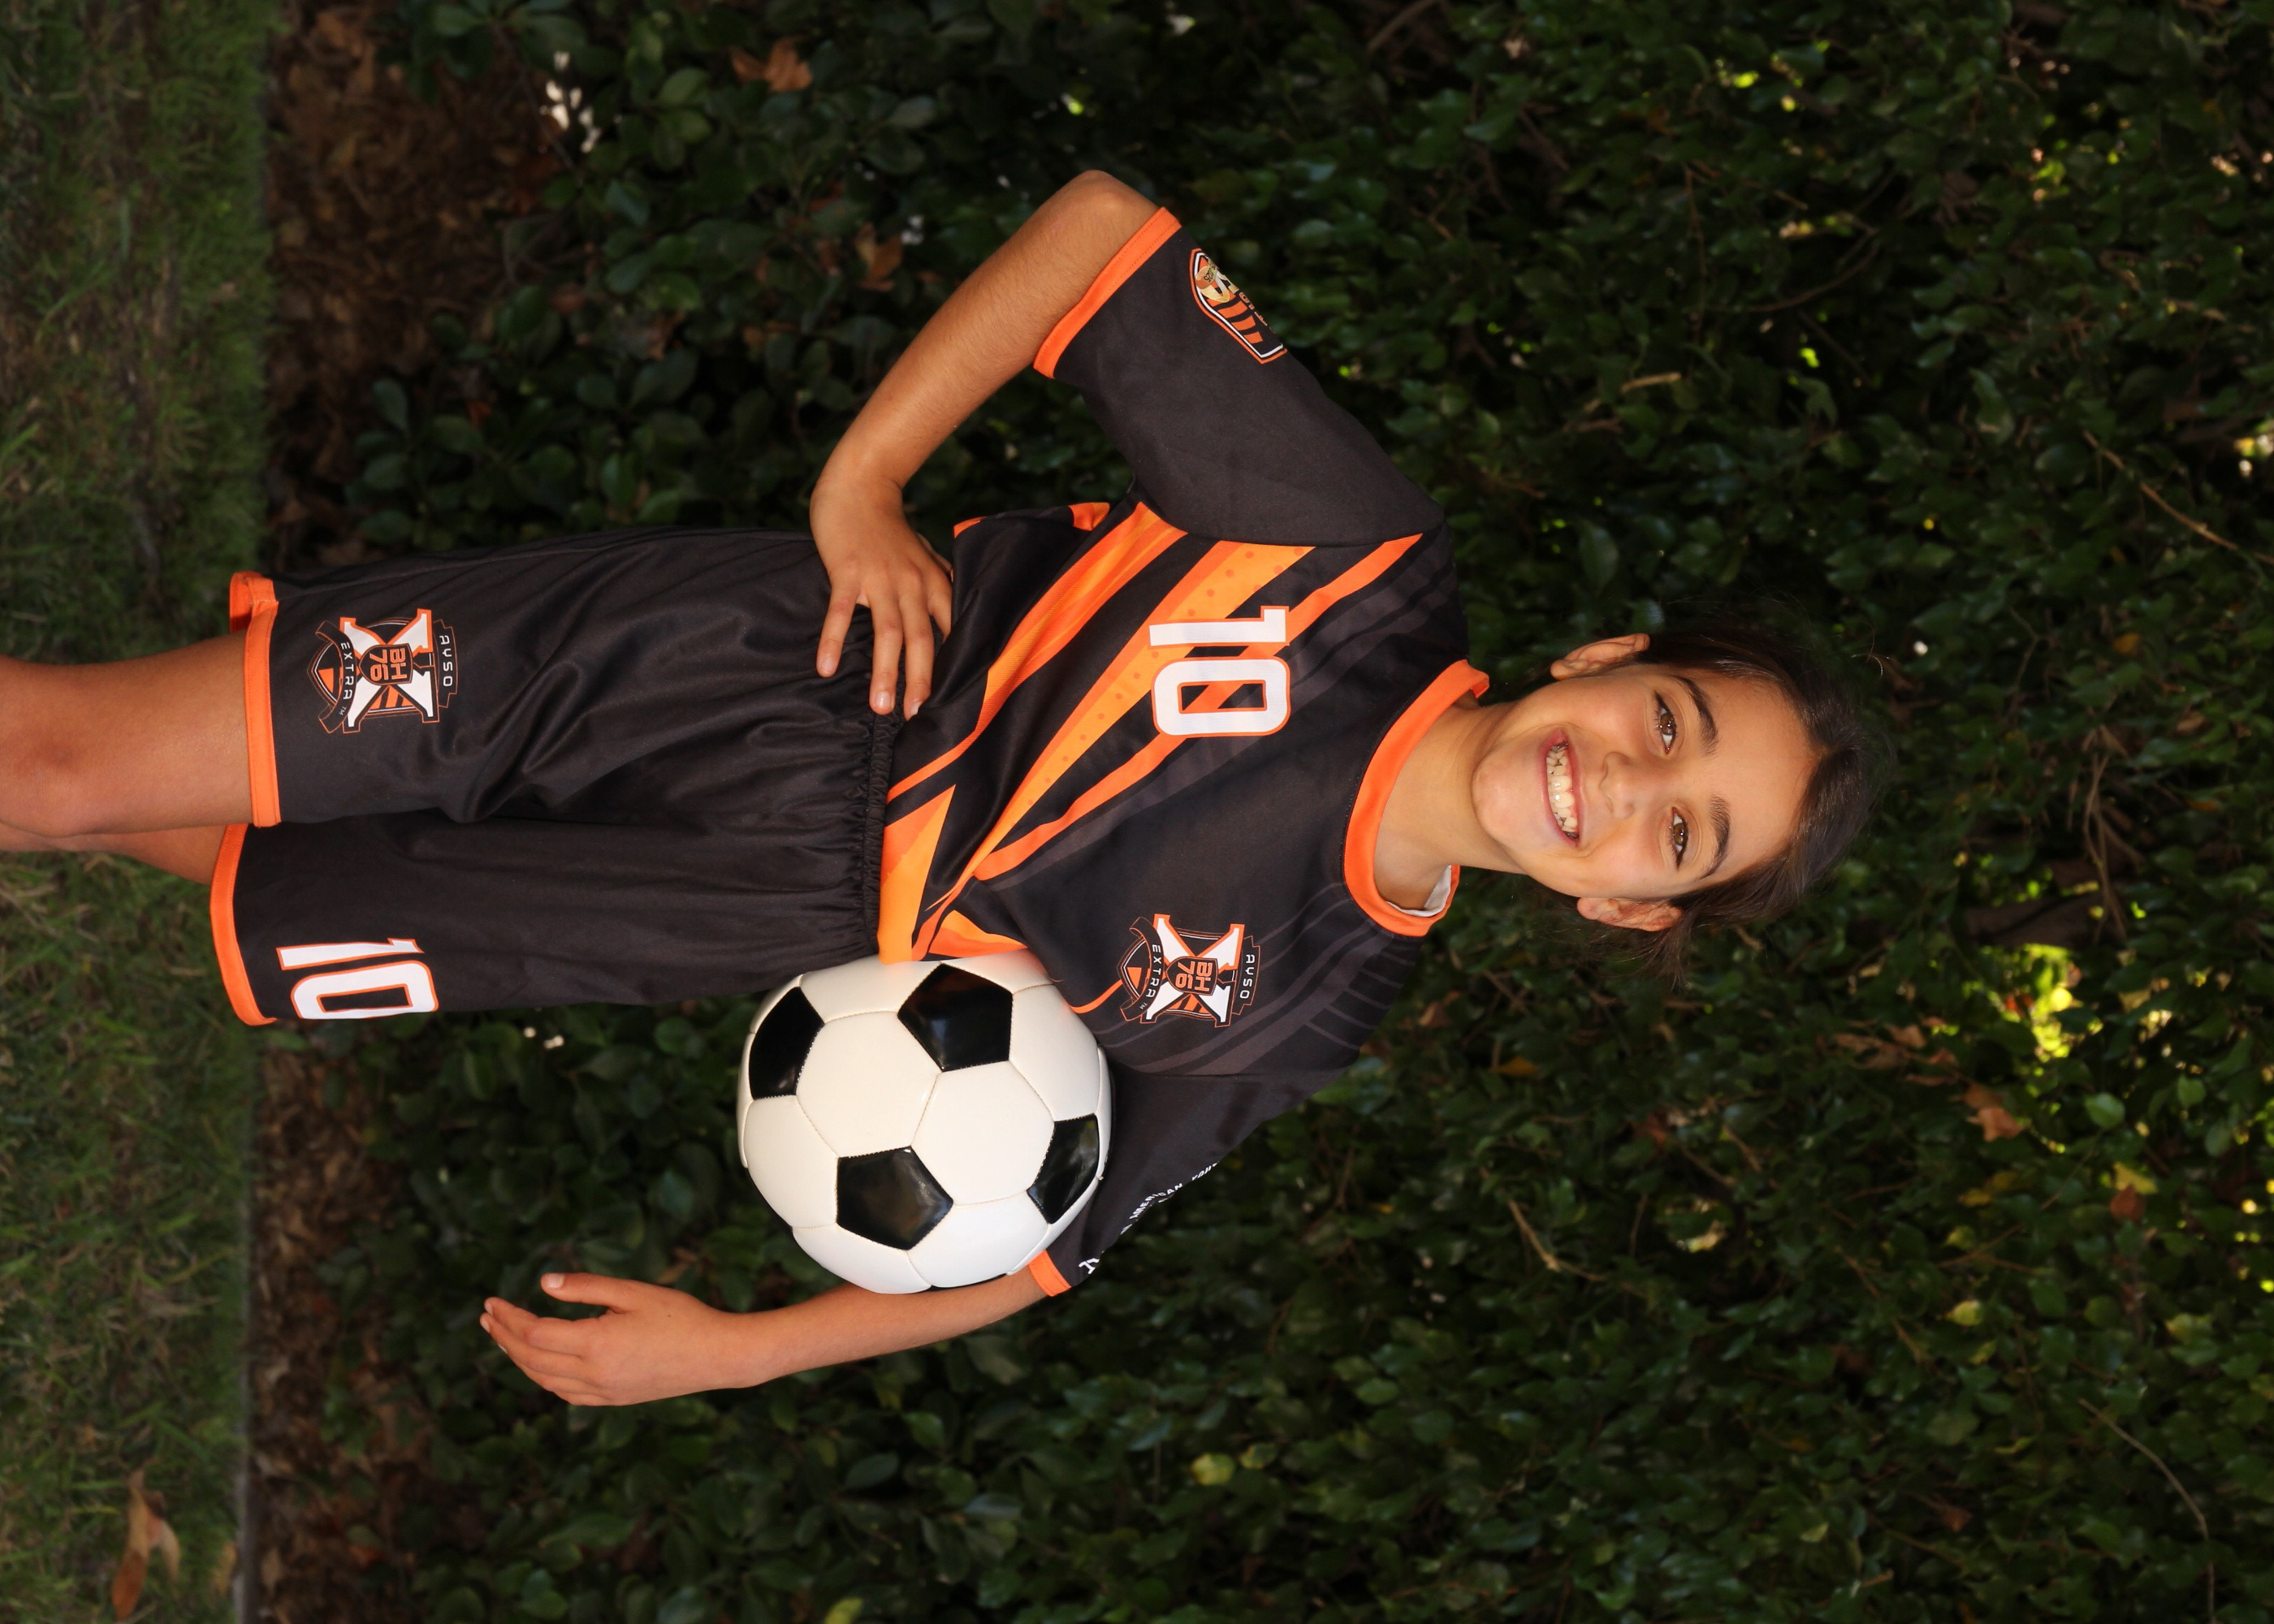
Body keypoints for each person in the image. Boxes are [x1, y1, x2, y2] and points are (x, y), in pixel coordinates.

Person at [0, 172, 1875, 1406]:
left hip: (761, 919)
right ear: (1600, 657)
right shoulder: (1352, 556)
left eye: (1680, 831)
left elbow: (1043, 1244)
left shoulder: (1313, 1001)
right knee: (64, 763)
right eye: (1666, 719)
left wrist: (736, 1351)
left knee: (186, 846)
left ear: (1626, 906)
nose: (1624, 780)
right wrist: (863, 484)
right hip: (751, 664)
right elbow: (1100, 241)